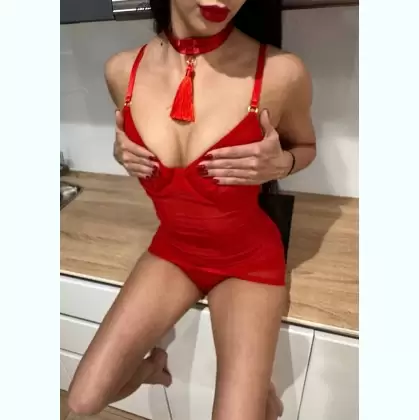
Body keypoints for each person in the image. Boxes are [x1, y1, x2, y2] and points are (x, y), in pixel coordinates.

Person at [67, 0, 316, 419]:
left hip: (247, 261)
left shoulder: (280, 72)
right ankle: (162, 371)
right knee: (82, 401)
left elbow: (305, 146)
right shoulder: (121, 71)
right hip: (173, 251)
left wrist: (283, 163)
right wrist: (121, 152)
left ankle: (260, 393)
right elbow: (135, 145)